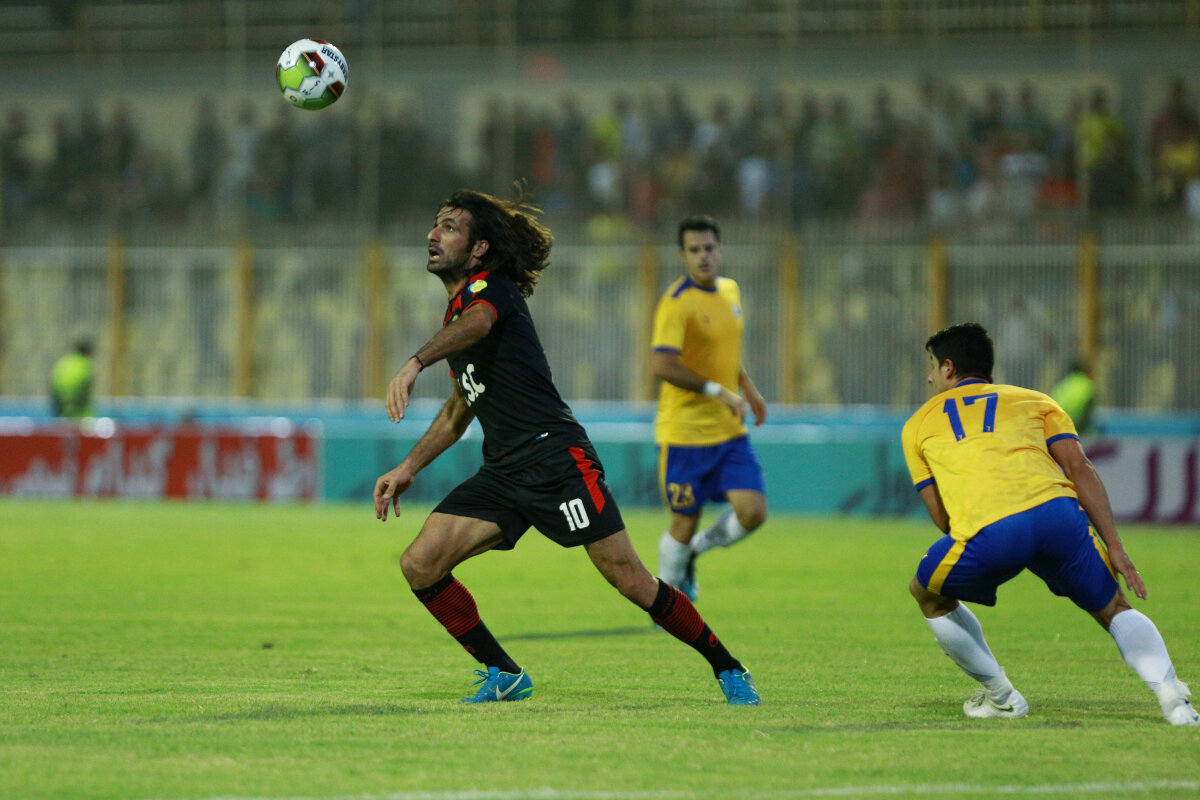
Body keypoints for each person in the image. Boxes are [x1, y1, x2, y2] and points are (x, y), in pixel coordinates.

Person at [372, 190, 760, 706]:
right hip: (504, 471)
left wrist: (414, 362)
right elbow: (458, 409)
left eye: (448, 227)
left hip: (556, 459)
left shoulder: (492, 292)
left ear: (480, 248)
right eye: (435, 224)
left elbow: (481, 322)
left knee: (631, 580)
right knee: (421, 563)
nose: (432, 234)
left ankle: (728, 667)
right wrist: (408, 467)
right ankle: (504, 673)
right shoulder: (457, 317)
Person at [902, 323, 1197, 725]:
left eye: (932, 366)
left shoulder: (918, 425)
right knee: (1113, 606)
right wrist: (1114, 545)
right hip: (1057, 514)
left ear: (949, 368)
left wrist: (998, 539)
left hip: (993, 527)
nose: (930, 377)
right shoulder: (1036, 400)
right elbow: (1079, 467)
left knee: (926, 592)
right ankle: (1174, 701)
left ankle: (1003, 698)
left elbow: (943, 519)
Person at [652, 215, 767, 603]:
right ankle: (665, 605)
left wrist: (747, 388)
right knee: (683, 524)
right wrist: (718, 391)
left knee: (753, 512)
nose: (704, 256)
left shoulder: (730, 291)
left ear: (720, 250)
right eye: (695, 250)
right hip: (685, 433)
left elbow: (722, 352)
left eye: (709, 248)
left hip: (728, 428)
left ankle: (695, 552)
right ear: (682, 255)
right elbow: (662, 364)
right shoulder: (676, 303)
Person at [1050, 358, 1097, 436]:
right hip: (1074, 423)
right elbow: (1088, 408)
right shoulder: (1087, 384)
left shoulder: (1064, 383)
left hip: (1056, 421)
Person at [50, 338, 94, 418]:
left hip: (60, 408)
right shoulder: (84, 365)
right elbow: (82, 390)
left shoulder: (64, 362)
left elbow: (54, 385)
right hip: (78, 412)